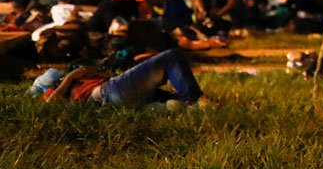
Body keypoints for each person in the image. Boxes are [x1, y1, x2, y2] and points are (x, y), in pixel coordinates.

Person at [32, 48, 205, 107]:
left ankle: (186, 103)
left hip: (114, 91)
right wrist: (70, 77)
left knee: (174, 99)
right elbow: (49, 105)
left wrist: (88, 71)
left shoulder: (80, 81)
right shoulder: (55, 89)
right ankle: (194, 100)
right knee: (171, 56)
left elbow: (108, 75)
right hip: (110, 92)